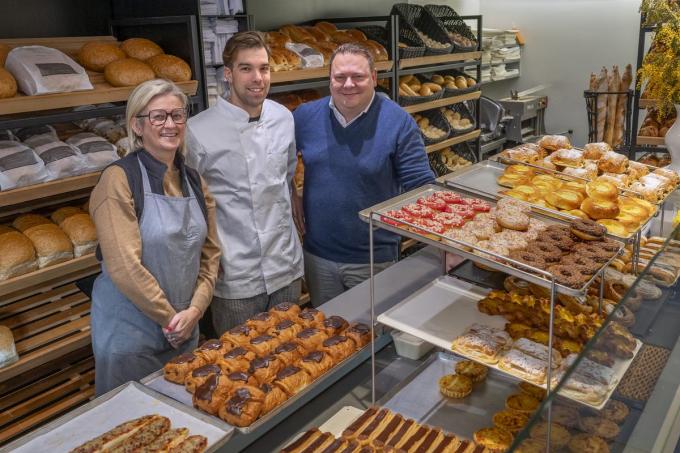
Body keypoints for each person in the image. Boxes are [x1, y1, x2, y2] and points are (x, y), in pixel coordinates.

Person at [89, 79, 221, 395]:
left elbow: (211, 253)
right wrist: (172, 318)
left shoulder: (193, 180)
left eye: (177, 116)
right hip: (131, 336)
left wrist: (196, 311)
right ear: (137, 125)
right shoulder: (119, 180)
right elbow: (124, 267)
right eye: (158, 116)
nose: (170, 124)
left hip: (184, 329)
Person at [293, 43, 435, 307]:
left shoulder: (398, 122)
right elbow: (279, 162)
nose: (348, 84)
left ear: (373, 78)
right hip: (318, 257)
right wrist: (293, 193)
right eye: (340, 77)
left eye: (357, 77)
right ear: (329, 79)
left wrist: (441, 247)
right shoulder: (305, 117)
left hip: (373, 258)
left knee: (371, 338)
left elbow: (422, 186)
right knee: (327, 336)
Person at [185, 31, 303, 333]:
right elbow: (191, 204)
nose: (257, 78)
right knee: (239, 364)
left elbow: (286, 178)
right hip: (236, 273)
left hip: (285, 266)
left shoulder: (283, 118)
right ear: (228, 74)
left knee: (290, 351)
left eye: (263, 68)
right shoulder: (199, 131)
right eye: (246, 68)